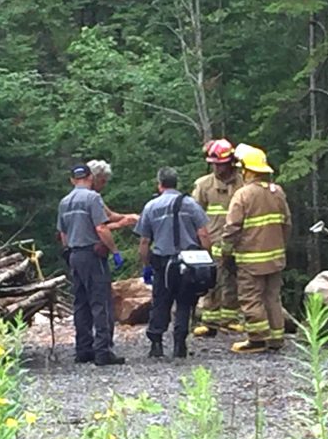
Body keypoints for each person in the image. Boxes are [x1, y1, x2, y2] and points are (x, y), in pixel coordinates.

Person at [135, 167, 212, 359]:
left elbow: (144, 241)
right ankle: (180, 344)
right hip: (188, 262)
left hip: (163, 262)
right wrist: (206, 259)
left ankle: (156, 343)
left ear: (159, 184)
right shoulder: (191, 204)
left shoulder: (151, 206)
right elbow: (203, 233)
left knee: (161, 300)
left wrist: (146, 265)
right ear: (176, 183)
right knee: (185, 301)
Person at [221, 145, 291, 353]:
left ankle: (258, 339)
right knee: (272, 297)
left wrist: (226, 253)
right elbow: (287, 224)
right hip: (276, 258)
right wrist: (280, 246)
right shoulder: (278, 192)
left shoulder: (243, 195)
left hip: (250, 260)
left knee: (251, 298)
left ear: (248, 171)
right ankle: (276, 339)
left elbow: (231, 228)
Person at [57, 164, 125, 366]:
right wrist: (114, 251)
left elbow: (63, 234)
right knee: (101, 302)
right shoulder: (92, 198)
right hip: (93, 255)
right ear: (90, 177)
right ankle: (103, 351)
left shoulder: (64, 202)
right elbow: (101, 228)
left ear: (72, 180)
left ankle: (83, 349)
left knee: (81, 304)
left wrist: (69, 251)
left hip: (74, 255)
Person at [191, 139, 244, 337]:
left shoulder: (243, 183)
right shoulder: (204, 185)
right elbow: (195, 214)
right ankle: (210, 322)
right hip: (211, 243)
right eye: (213, 163)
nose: (216, 167)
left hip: (238, 242)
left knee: (234, 282)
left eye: (220, 163)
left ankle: (230, 319)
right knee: (211, 282)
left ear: (230, 162)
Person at [87, 159, 139, 232]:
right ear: (93, 178)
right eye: (102, 181)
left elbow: (109, 215)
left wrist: (130, 216)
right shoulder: (92, 197)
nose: (104, 185)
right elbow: (98, 229)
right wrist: (120, 224)